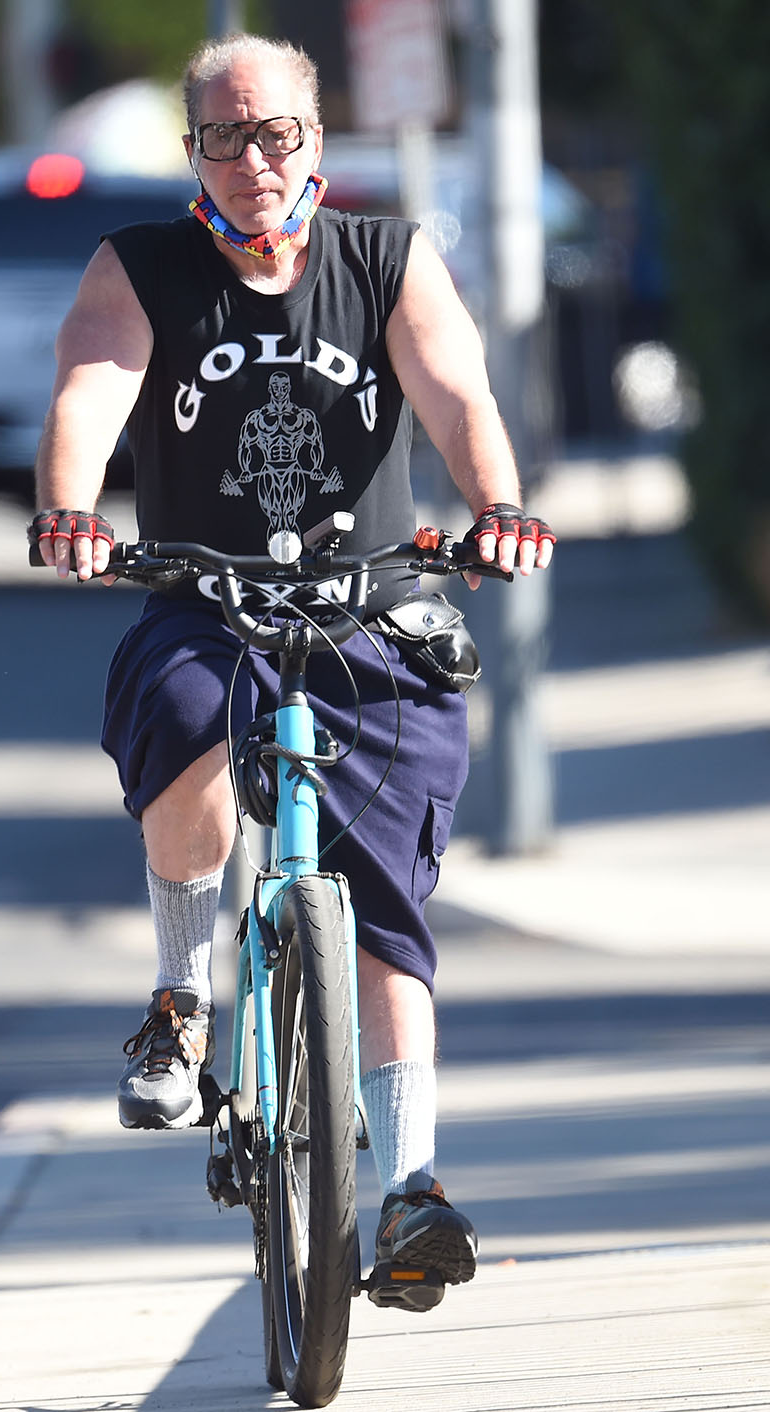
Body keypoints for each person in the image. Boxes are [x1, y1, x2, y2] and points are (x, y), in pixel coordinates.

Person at [32, 33, 554, 1311]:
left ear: (315, 138)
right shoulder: (141, 268)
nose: (255, 160)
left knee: (383, 905)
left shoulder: (387, 259)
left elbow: (455, 388)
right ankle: (179, 997)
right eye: (225, 135)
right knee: (183, 716)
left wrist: (495, 504)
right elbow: (93, 387)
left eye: (277, 134)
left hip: (366, 602)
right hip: (203, 597)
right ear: (193, 148)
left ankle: (414, 1187)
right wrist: (70, 509)